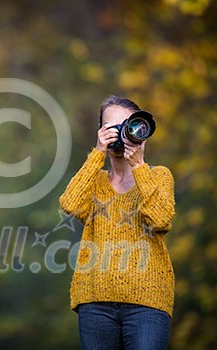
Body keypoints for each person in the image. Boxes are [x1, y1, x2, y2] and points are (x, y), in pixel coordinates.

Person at [59, 95, 176, 350]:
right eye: (112, 127)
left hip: (147, 302)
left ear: (140, 131)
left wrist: (139, 167)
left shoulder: (158, 176)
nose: (121, 134)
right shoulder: (95, 181)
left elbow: (160, 219)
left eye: (127, 127)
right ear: (101, 132)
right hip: (95, 302)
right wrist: (97, 153)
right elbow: (70, 203)